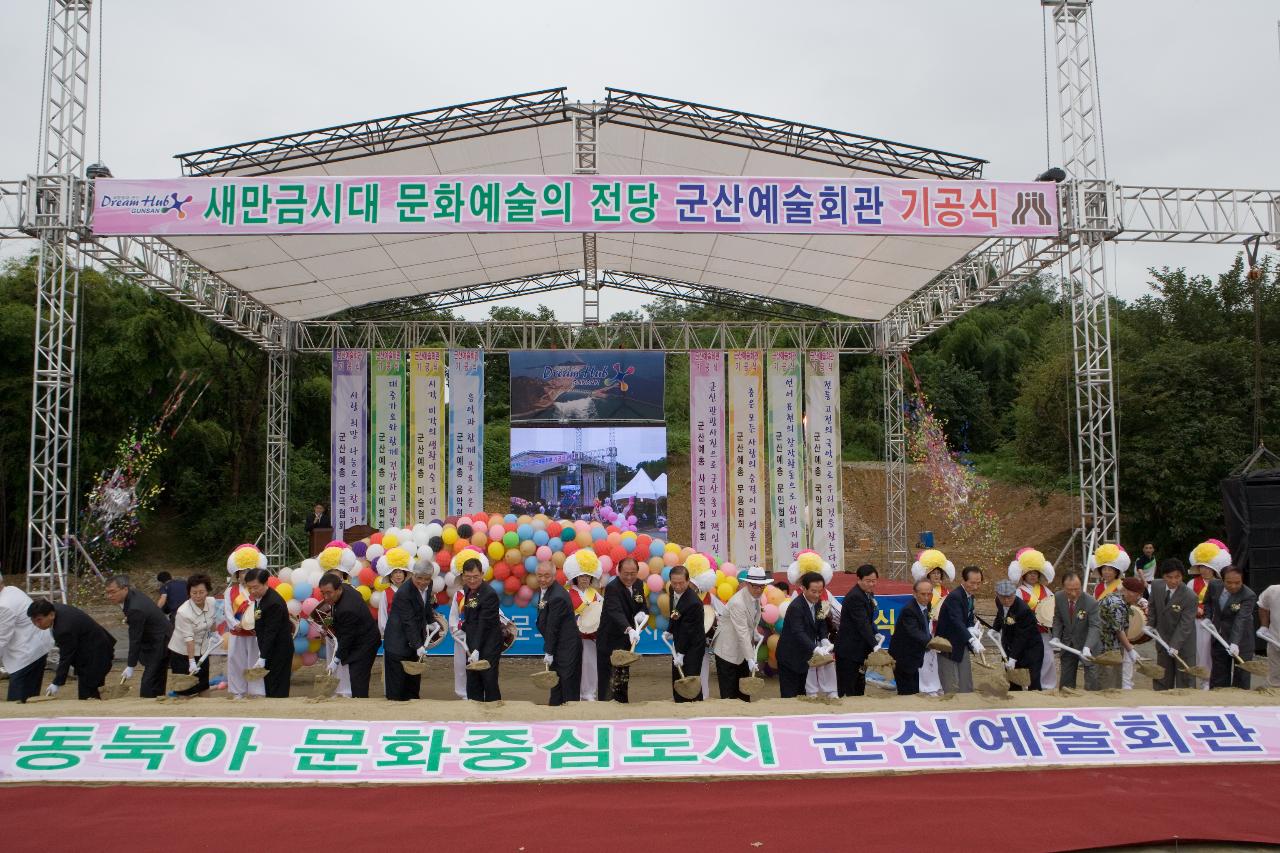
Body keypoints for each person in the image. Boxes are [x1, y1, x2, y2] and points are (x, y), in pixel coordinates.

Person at [27, 599, 116, 699]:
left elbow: (66, 656)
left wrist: (57, 682)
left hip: (97, 654)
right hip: (89, 648)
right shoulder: (54, 609)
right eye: (33, 621)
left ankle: (93, 711)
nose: (37, 625)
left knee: (87, 691)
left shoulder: (64, 629)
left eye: (39, 620)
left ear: (51, 615)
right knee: (87, 687)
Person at [105, 574, 171, 699]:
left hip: (159, 640)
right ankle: (157, 699)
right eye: (107, 593)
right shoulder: (131, 595)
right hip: (155, 637)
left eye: (113, 592)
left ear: (125, 589)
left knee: (150, 679)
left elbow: (135, 638)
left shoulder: (135, 608)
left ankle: (148, 704)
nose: (109, 596)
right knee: (156, 675)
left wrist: (130, 665)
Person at [318, 571, 381, 698]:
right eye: (323, 593)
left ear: (338, 589)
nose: (325, 597)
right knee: (356, 675)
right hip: (357, 636)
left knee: (358, 677)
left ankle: (360, 705)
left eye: (329, 593)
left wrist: (335, 661)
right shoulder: (346, 588)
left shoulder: (347, 608)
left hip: (365, 643)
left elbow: (346, 638)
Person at [383, 560, 437, 701]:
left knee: (413, 687)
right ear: (413, 575)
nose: (423, 582)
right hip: (397, 643)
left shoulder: (429, 584)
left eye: (426, 579)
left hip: (413, 642)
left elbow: (425, 605)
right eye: (419, 578)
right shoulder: (403, 593)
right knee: (397, 690)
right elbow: (409, 622)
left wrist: (431, 621)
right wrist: (418, 645)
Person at [712, 566, 768, 700]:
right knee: (729, 694)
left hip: (742, 650)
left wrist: (755, 633)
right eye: (755, 586)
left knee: (744, 692)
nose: (759, 589)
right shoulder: (738, 602)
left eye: (762, 586)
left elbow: (750, 624)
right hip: (727, 650)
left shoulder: (756, 597)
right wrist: (750, 658)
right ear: (747, 584)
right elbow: (742, 632)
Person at [598, 556, 648, 703]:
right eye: (626, 573)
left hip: (625, 642)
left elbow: (642, 604)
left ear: (638, 572)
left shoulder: (638, 584)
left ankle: (622, 706)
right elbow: (615, 612)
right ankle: (606, 709)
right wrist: (629, 629)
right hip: (609, 641)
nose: (629, 577)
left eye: (633, 573)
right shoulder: (613, 587)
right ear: (619, 571)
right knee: (608, 679)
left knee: (622, 676)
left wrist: (642, 614)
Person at [0, 575, 54, 702]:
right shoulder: (11, 590)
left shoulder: (4, 606)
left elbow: (1, 639)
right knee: (29, 697)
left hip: (26, 655)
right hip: (36, 648)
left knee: (17, 702)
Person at [224, 545, 267, 699]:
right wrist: (235, 624)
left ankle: (256, 691)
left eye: (249, 571)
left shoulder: (259, 590)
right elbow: (228, 612)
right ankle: (238, 691)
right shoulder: (230, 591)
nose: (245, 574)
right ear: (237, 574)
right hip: (237, 633)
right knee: (236, 661)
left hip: (255, 634)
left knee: (255, 661)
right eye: (242, 571)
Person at [776, 572, 828, 698]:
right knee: (789, 695)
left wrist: (824, 639)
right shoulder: (796, 607)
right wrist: (815, 648)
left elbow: (821, 623)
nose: (817, 595)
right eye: (813, 591)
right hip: (789, 656)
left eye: (820, 591)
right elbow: (798, 632)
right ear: (803, 588)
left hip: (804, 656)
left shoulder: (820, 603)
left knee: (801, 692)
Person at [536, 561, 581, 706]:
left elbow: (552, 627)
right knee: (556, 681)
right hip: (557, 644)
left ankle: (570, 716)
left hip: (567, 646)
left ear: (554, 576)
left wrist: (548, 651)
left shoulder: (557, 597)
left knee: (567, 682)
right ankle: (555, 712)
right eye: (540, 575)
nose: (543, 579)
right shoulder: (546, 590)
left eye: (547, 576)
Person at [1012, 548, 1058, 691]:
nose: (1032, 576)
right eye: (1029, 573)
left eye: (1035, 573)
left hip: (1044, 631)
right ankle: (1030, 685)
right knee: (1029, 659)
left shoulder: (1046, 590)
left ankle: (1047, 685)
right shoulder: (1019, 592)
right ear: (1023, 575)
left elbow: (1052, 607)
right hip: (1027, 632)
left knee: (1048, 658)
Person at [1149, 558, 1198, 690]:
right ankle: (1161, 702)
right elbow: (1152, 606)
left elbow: (1186, 624)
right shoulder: (1156, 585)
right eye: (1169, 577)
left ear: (1182, 576)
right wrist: (1150, 625)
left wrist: (1175, 645)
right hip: (1162, 637)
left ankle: (1185, 706)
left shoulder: (1190, 596)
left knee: (1185, 677)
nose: (1173, 581)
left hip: (1183, 642)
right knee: (1162, 675)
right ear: (1163, 576)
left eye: (1177, 577)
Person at [244, 568, 293, 698]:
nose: (252, 591)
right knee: (270, 684)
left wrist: (262, 657)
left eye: (256, 587)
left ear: (266, 583)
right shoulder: (260, 598)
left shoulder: (273, 603)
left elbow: (271, 632)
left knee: (277, 685)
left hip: (279, 650)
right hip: (270, 648)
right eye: (249, 588)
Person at [1204, 566, 1256, 690]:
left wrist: (1235, 643)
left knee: (1241, 675)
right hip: (1219, 635)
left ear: (1242, 580)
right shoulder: (1214, 585)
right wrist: (1208, 617)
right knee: (1219, 675)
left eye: (1237, 582)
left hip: (1242, 640)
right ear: (1222, 580)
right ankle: (1219, 703)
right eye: (1229, 582)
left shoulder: (1249, 595)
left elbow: (1241, 619)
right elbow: (1208, 602)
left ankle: (1240, 705)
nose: (1233, 586)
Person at [458, 558, 502, 702]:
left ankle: (494, 714)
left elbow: (484, 623)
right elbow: (472, 617)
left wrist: (476, 649)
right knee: (472, 679)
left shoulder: (489, 594)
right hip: (473, 641)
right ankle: (474, 714)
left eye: (475, 577)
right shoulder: (467, 590)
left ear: (482, 574)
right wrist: (462, 626)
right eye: (468, 577)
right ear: (463, 576)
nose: (472, 580)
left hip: (489, 643)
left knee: (488, 679)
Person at [910, 550, 954, 695]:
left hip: (940, 629)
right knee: (925, 658)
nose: (936, 575)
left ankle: (937, 685)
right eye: (933, 572)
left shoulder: (945, 591)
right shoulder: (924, 590)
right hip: (927, 628)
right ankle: (926, 687)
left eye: (938, 572)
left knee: (936, 660)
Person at [166, 573, 217, 697]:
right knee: (185, 689)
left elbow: (212, 621)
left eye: (201, 592)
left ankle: (205, 711)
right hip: (183, 653)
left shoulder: (212, 602)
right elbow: (189, 640)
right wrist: (191, 662)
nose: (198, 596)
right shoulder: (184, 612)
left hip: (202, 650)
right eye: (194, 593)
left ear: (207, 591)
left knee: (203, 684)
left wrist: (214, 635)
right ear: (189, 592)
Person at [1189, 540, 1230, 690]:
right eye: (1202, 567)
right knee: (1202, 651)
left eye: (1208, 567)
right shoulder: (1192, 583)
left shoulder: (1221, 583)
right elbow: (1189, 603)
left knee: (1217, 652)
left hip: (1216, 623)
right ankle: (1204, 681)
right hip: (1199, 622)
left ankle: (1216, 680)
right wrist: (1196, 610)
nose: (1204, 570)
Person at [1051, 571, 1101, 691]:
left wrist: (1088, 646)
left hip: (1087, 645)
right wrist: (1056, 636)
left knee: (1092, 679)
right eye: (1069, 590)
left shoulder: (1091, 602)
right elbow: (1057, 618)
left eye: (1077, 589)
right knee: (1066, 681)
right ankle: (1067, 703)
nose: (1073, 593)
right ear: (1063, 587)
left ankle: (1091, 704)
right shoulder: (1059, 597)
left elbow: (1095, 626)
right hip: (1068, 644)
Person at [937, 566, 983, 694]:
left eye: (978, 583)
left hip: (961, 641)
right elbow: (956, 621)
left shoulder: (970, 596)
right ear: (963, 581)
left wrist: (972, 628)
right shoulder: (955, 596)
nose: (975, 587)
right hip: (948, 643)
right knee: (950, 680)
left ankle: (966, 700)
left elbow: (966, 619)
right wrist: (971, 639)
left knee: (965, 677)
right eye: (972, 583)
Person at [565, 550, 604, 701]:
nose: (585, 579)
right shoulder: (567, 594)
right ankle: (576, 693)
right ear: (575, 578)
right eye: (582, 576)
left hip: (590, 638)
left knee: (590, 664)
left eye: (587, 576)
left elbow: (602, 612)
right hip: (573, 637)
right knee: (574, 664)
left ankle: (589, 692)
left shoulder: (596, 594)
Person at [835, 564, 878, 697]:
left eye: (874, 581)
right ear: (858, 579)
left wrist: (876, 633)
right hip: (849, 651)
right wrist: (875, 645)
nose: (871, 584)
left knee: (859, 684)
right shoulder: (855, 597)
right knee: (848, 687)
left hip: (860, 650)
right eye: (868, 581)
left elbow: (868, 620)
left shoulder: (867, 594)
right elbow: (862, 624)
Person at [664, 566, 706, 702]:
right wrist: (669, 630)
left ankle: (695, 705)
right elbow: (674, 613)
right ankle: (679, 703)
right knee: (677, 676)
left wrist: (681, 654)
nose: (677, 586)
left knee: (690, 677)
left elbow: (689, 631)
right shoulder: (672, 590)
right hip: (680, 640)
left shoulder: (694, 603)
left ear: (688, 581)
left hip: (694, 645)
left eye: (681, 583)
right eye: (674, 583)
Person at [993, 579, 1044, 690]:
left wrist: (1013, 658)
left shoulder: (1023, 610)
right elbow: (1000, 615)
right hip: (1010, 645)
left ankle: (1035, 704)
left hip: (1031, 648)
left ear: (1015, 594)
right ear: (997, 595)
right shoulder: (998, 601)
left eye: (1010, 597)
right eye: (1003, 597)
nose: (1006, 600)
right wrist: (995, 629)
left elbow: (1021, 637)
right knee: (1013, 681)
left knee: (1032, 682)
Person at [1095, 577, 1142, 690]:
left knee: (1116, 680)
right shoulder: (1116, 604)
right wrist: (1130, 650)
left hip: (1114, 647)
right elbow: (1119, 630)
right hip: (1105, 647)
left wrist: (1127, 647)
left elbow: (1123, 626)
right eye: (1137, 594)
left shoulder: (1123, 601)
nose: (1138, 597)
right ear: (1127, 591)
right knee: (1107, 682)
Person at [890, 579, 933, 696]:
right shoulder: (909, 610)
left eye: (929, 594)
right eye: (923, 594)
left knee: (914, 690)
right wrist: (932, 642)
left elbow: (924, 626)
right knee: (906, 693)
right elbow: (914, 631)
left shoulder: (927, 605)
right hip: (903, 656)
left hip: (914, 656)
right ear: (914, 594)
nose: (926, 597)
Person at [1258, 583, 1280, 689]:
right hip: (1275, 639)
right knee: (1274, 678)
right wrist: (1264, 626)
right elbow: (1263, 606)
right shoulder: (1273, 591)